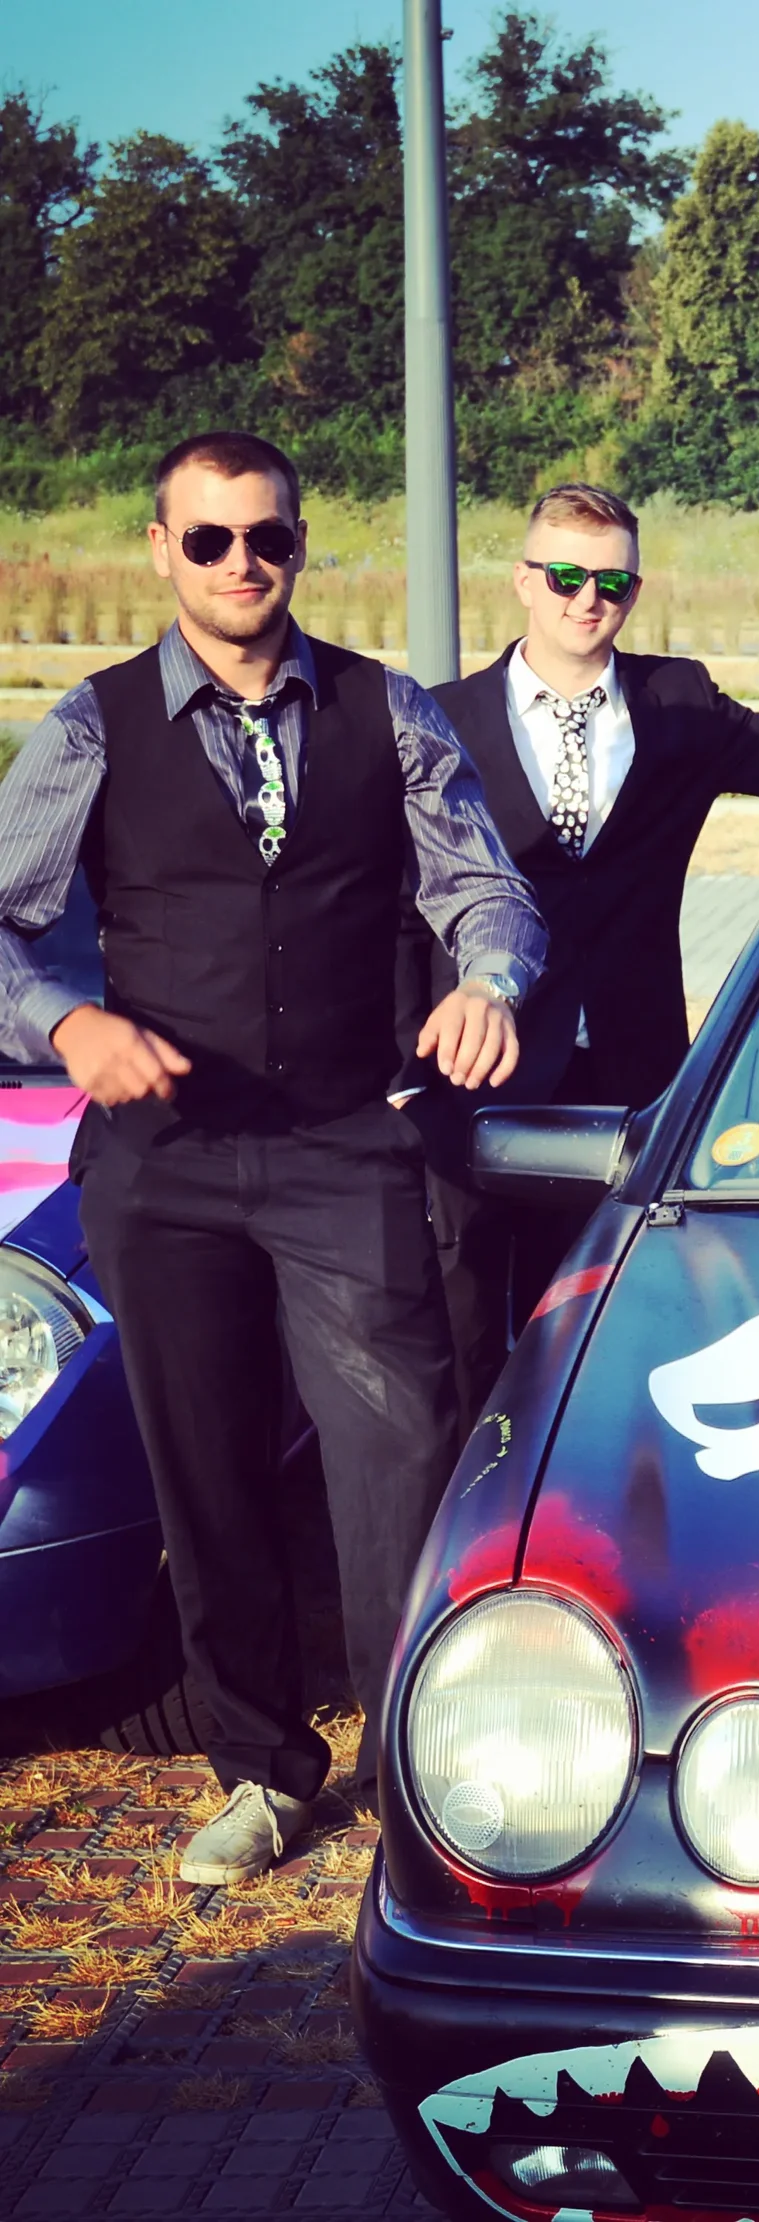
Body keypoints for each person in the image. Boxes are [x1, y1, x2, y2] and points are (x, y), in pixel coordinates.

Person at [0, 432, 544, 1886]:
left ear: (301, 546)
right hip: (161, 1166)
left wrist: (486, 978)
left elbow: (484, 881)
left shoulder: (390, 710)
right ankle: (260, 1770)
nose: (242, 564)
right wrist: (67, 1022)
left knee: (403, 1458)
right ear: (161, 550)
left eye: (268, 539)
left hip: (344, 1149)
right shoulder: (94, 726)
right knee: (209, 1470)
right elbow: (1, 922)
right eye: (209, 540)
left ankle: (433, 1769)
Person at [416, 482, 759, 1420]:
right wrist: (399, 1066)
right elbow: (391, 899)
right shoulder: (439, 718)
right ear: (524, 582)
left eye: (612, 582)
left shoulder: (678, 701)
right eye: (568, 576)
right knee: (462, 1324)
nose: (589, 599)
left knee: (599, 1321)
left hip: (630, 1069)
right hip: (478, 1072)